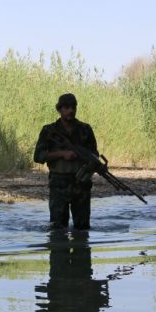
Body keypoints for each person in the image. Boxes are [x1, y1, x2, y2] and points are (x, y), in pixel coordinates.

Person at [33, 93, 98, 230]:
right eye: (66, 107)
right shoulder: (49, 131)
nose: (71, 110)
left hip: (81, 185)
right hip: (58, 184)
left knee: (82, 229)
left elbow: (94, 155)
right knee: (57, 229)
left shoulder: (85, 130)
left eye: (73, 107)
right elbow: (38, 156)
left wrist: (92, 163)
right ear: (59, 109)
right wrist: (62, 154)